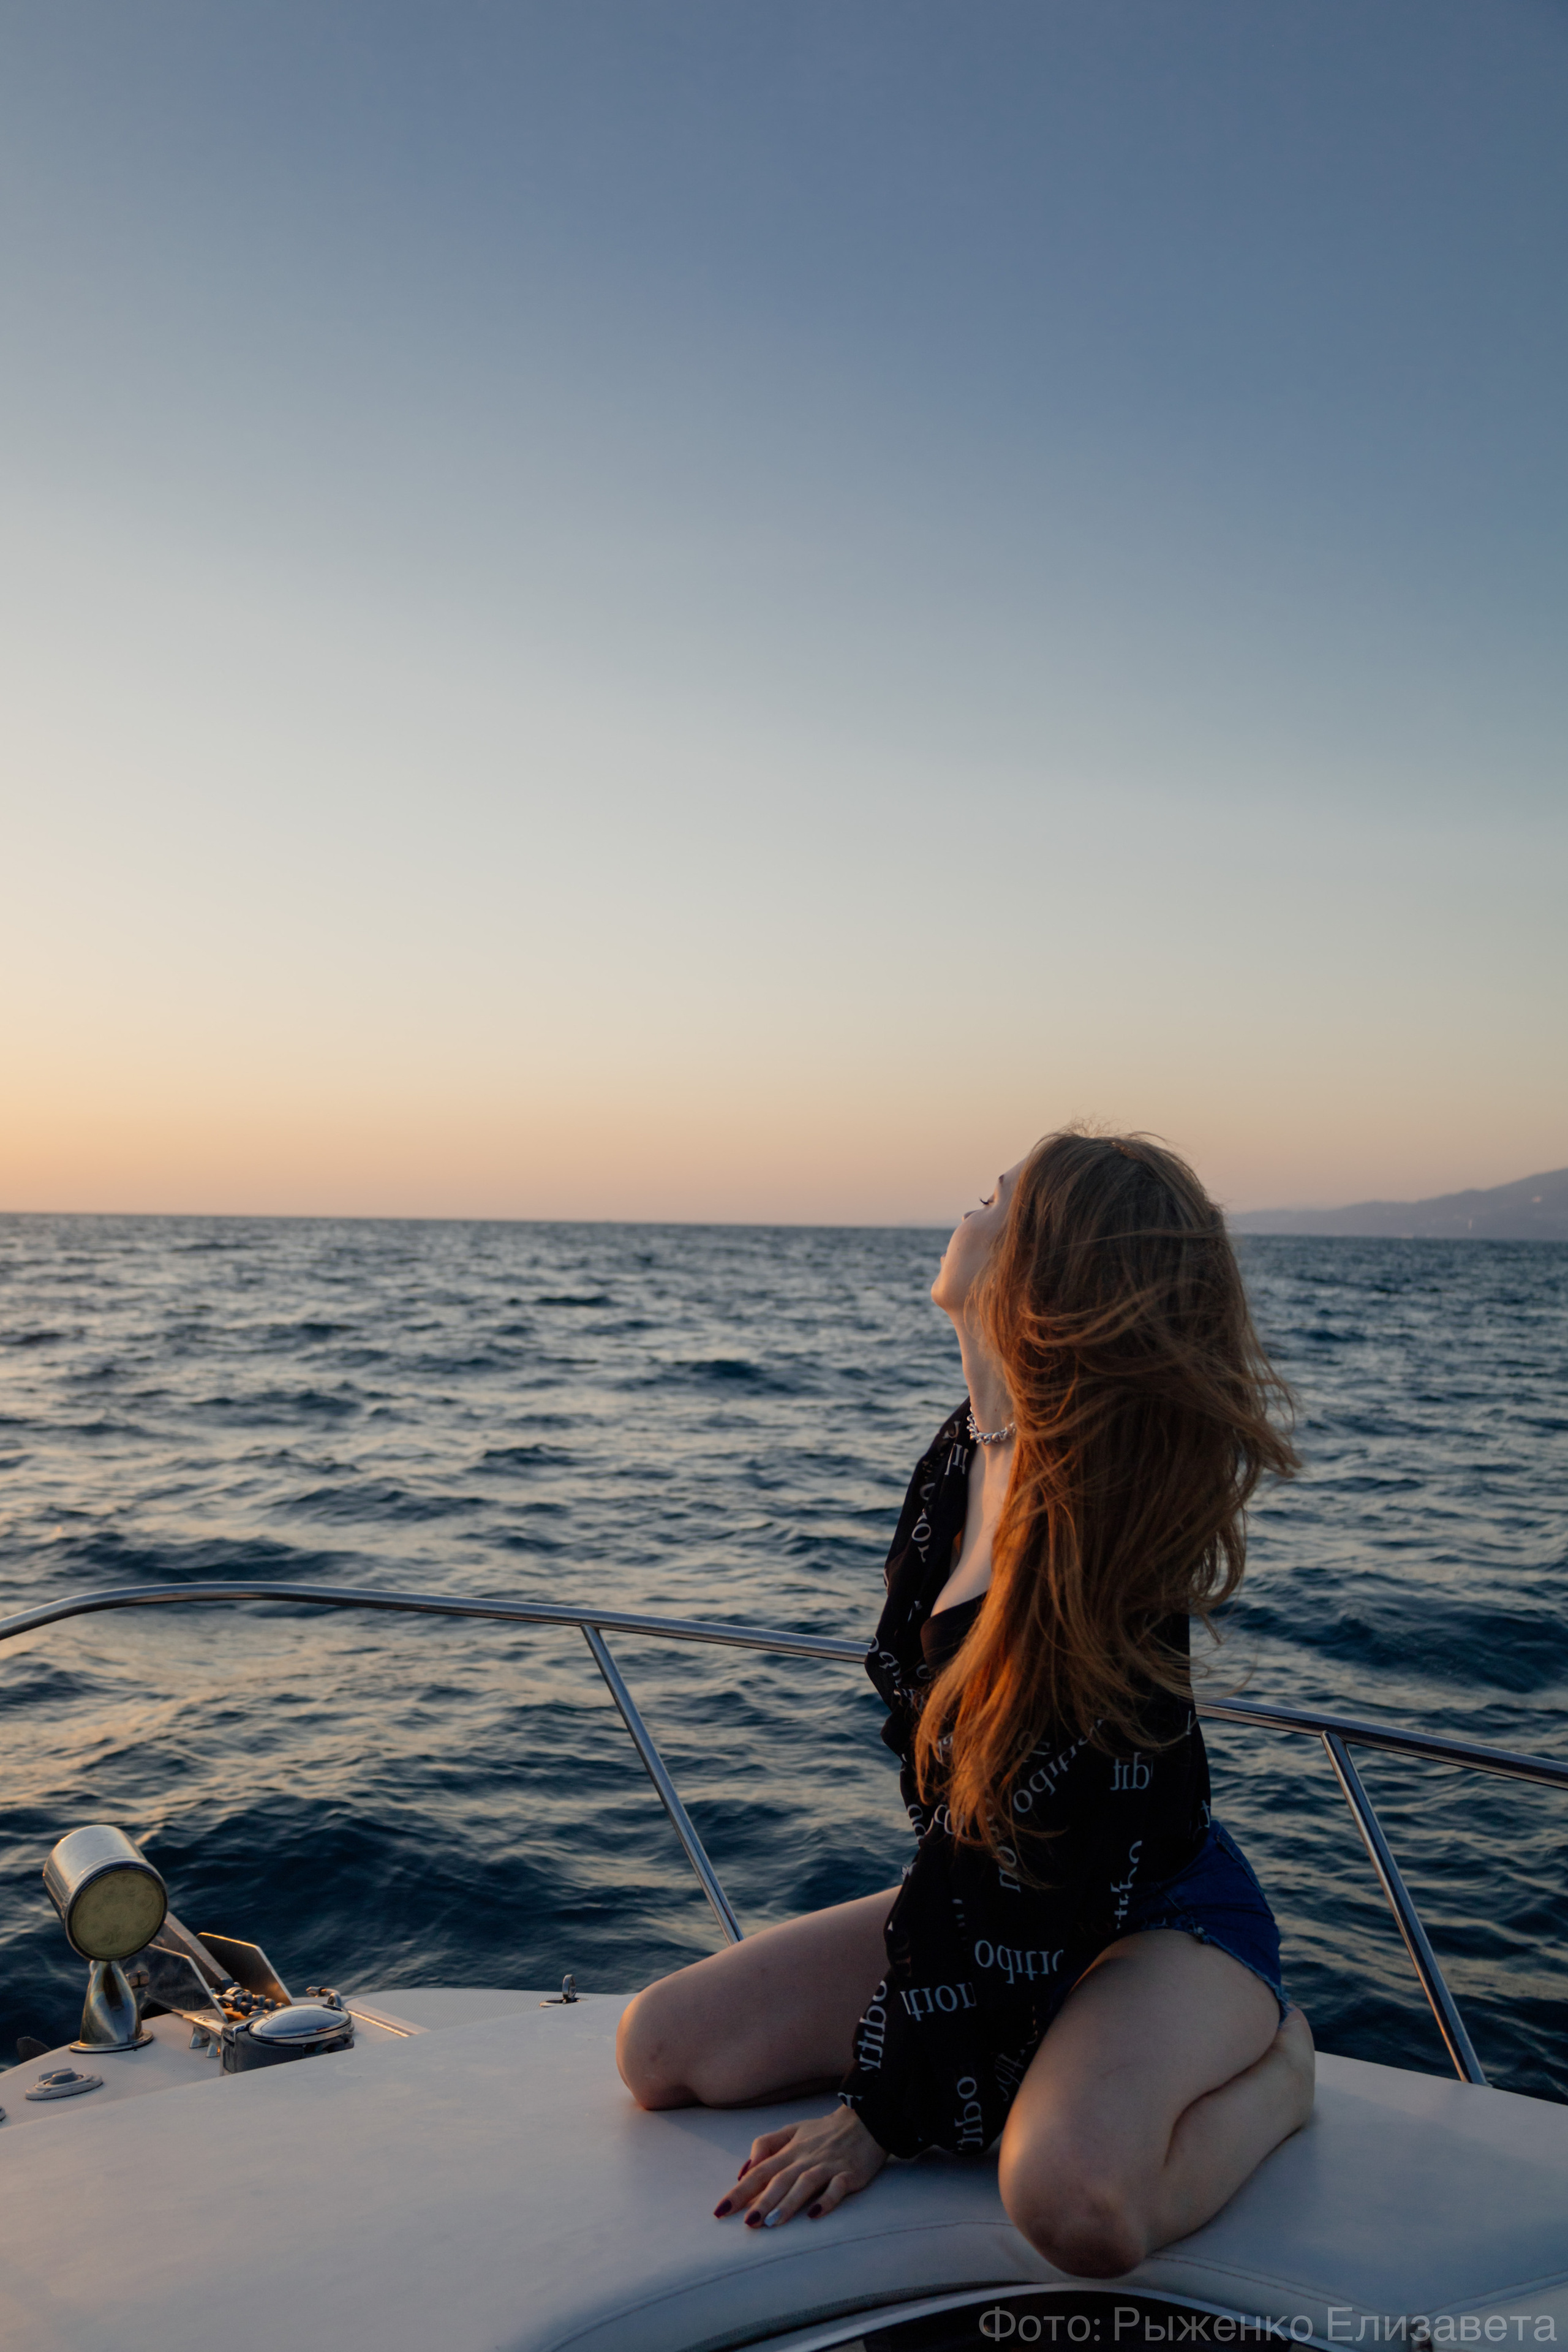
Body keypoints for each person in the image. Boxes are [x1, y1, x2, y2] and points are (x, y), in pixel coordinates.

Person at [616, 1129, 1314, 2278]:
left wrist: (886, 2114)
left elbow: (1060, 1863)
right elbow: (976, 1839)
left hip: (1153, 1919)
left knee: (1073, 2203)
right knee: (665, 2053)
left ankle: (1284, 2071)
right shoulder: (963, 1456)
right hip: (994, 1898)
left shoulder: (1092, 1536)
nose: (969, 1207)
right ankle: (1045, 2060)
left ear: (1039, 1266)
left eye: (996, 1196)